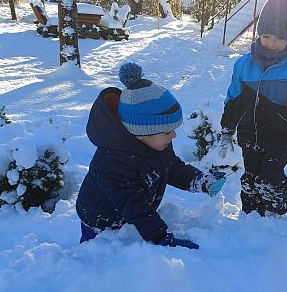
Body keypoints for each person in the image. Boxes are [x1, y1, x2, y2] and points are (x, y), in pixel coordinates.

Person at [76, 62, 226, 249]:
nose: (173, 135)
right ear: (141, 132)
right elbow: (134, 205)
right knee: (100, 258)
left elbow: (173, 168)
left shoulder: (156, 144)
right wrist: (160, 236)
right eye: (166, 131)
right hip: (102, 221)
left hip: (130, 215)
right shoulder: (112, 163)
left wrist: (201, 181)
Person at [218, 0, 287, 217]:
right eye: (266, 36)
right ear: (258, 34)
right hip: (250, 133)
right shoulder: (244, 65)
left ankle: (276, 210)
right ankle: (251, 213)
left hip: (280, 136)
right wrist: (227, 129)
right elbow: (233, 98)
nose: (271, 42)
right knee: (251, 175)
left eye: (278, 37)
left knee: (270, 175)